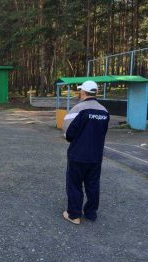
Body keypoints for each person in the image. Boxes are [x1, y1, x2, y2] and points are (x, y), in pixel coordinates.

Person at [62, 80, 110, 225]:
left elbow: (69, 132)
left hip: (78, 154)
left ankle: (74, 215)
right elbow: (103, 132)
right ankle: (91, 213)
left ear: (83, 92)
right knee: (93, 184)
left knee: (75, 184)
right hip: (96, 156)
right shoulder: (104, 111)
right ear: (96, 92)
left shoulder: (79, 109)